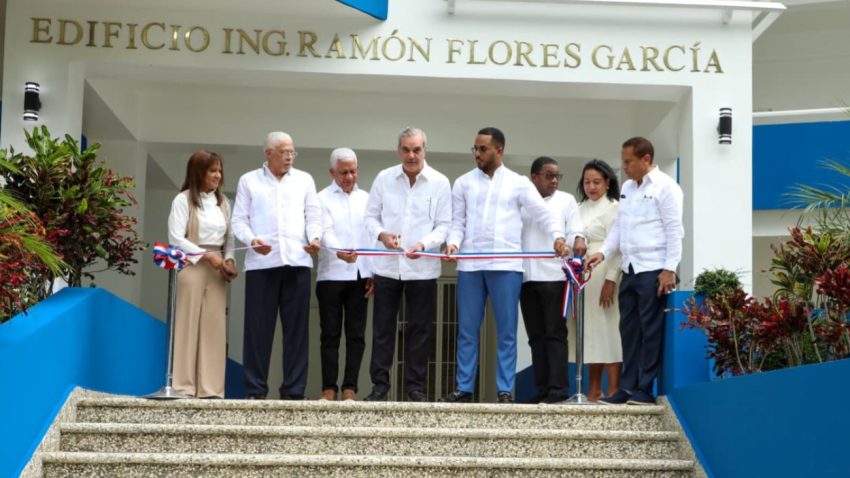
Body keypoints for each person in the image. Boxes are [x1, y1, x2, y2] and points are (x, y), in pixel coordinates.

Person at [441, 128, 571, 404]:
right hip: (470, 266)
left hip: (507, 265)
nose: (477, 154)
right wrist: (452, 244)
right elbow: (457, 223)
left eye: (482, 149)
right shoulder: (463, 182)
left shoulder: (518, 182)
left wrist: (558, 237)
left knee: (507, 331)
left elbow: (544, 214)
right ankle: (464, 388)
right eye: (474, 148)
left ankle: (504, 390)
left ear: (498, 150)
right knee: (467, 329)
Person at [586, 137, 684, 406]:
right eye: (623, 161)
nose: (624, 167)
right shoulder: (628, 188)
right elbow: (619, 227)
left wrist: (669, 269)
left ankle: (645, 388)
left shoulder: (667, 188)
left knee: (650, 331)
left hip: (654, 269)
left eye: (628, 161)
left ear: (646, 160)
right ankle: (626, 388)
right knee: (628, 330)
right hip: (629, 268)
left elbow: (675, 231)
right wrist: (602, 252)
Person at [231, 131, 323, 400]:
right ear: (268, 153)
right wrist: (251, 240)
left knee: (297, 331)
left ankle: (294, 391)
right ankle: (255, 390)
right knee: (257, 330)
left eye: (293, 152)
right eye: (284, 152)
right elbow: (239, 221)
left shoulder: (304, 180)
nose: (290, 157)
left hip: (298, 262)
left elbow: (313, 215)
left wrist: (315, 238)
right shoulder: (249, 181)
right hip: (262, 264)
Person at [362, 127, 451, 402]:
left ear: (425, 150)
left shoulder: (439, 182)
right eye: (406, 149)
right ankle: (379, 386)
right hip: (387, 266)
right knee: (383, 330)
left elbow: (444, 226)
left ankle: (415, 387)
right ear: (398, 150)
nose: (411, 155)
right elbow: (370, 218)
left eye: (416, 149)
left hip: (422, 269)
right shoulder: (384, 178)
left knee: (420, 330)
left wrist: (424, 244)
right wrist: (382, 235)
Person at [167, 149, 237, 399]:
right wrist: (206, 256)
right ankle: (184, 387)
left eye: (219, 171)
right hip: (193, 265)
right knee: (188, 324)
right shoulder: (183, 200)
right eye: (212, 171)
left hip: (218, 269)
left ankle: (211, 389)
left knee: (214, 327)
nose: (218, 175)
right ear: (199, 173)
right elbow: (176, 238)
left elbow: (230, 238)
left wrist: (229, 259)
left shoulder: (224, 203)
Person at [519, 156, 586, 404]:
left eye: (557, 176)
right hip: (526, 277)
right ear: (534, 176)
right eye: (549, 175)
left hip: (555, 277)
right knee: (535, 336)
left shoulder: (567, 200)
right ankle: (543, 388)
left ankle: (558, 389)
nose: (554, 180)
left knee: (555, 334)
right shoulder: (523, 202)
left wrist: (578, 239)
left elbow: (576, 230)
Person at [316, 147, 374, 401]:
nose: (349, 177)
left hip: (360, 276)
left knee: (356, 335)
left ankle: (350, 387)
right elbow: (324, 231)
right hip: (330, 274)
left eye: (353, 171)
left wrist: (373, 273)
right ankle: (329, 387)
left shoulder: (368, 199)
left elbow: (372, 237)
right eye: (343, 172)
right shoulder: (321, 198)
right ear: (332, 172)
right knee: (329, 334)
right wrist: (339, 252)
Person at [570, 159, 622, 402]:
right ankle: (593, 389)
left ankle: (613, 388)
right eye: (587, 182)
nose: (591, 186)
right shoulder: (577, 208)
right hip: (582, 277)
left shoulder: (614, 207)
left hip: (604, 273)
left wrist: (611, 279)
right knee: (588, 332)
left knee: (608, 330)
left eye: (597, 182)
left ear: (607, 183)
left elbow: (619, 247)